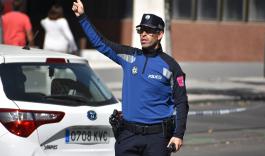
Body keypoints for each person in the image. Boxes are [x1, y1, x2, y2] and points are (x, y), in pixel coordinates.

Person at [72, 0, 189, 155]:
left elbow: (181, 103)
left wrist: (178, 134)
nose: (144, 34)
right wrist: (82, 17)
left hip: (157, 138)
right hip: (128, 135)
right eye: (141, 30)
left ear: (160, 34)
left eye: (149, 30)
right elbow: (101, 43)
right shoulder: (129, 56)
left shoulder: (171, 66)